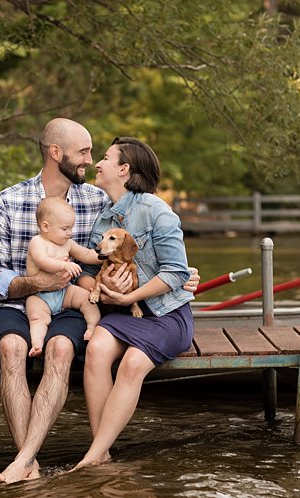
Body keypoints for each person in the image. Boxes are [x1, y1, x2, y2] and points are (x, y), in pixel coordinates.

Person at [0, 117, 108, 483]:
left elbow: (102, 259)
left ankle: (23, 460)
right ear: (56, 152)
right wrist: (39, 281)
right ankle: (30, 460)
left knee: (60, 350)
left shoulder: (97, 201)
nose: (90, 159)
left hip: (69, 301)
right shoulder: (7, 202)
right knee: (10, 347)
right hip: (19, 303)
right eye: (83, 151)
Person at [69, 136, 195, 470]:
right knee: (95, 349)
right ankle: (103, 452)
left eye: (106, 158)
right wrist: (104, 285)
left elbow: (176, 273)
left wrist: (128, 295)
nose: (98, 163)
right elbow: (84, 272)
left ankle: (93, 455)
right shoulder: (104, 221)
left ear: (124, 169)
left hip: (167, 314)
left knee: (133, 363)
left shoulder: (156, 211)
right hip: (125, 314)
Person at [24, 197, 103, 357]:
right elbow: (42, 261)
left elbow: (87, 254)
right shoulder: (37, 242)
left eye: (71, 228)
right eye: (65, 228)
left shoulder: (68, 243)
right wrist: (65, 265)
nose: (70, 233)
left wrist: (104, 255)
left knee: (87, 299)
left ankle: (92, 326)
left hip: (64, 291)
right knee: (36, 317)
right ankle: (37, 344)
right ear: (45, 226)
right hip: (40, 296)